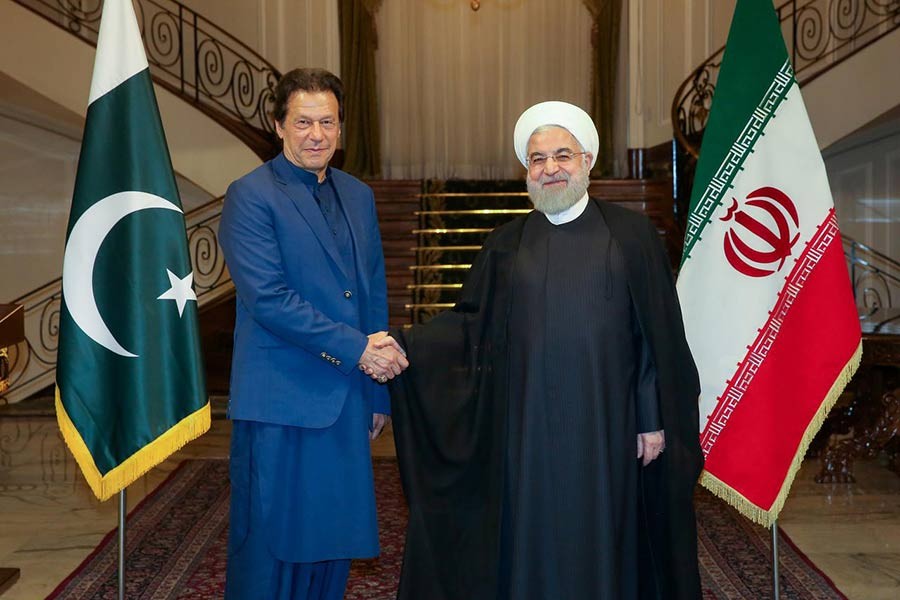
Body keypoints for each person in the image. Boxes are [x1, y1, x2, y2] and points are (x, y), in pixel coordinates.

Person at [385, 101, 704, 599]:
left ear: (587, 160)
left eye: (562, 155)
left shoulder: (632, 235)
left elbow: (653, 335)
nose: (550, 168)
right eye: (538, 159)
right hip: (526, 430)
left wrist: (651, 418)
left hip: (609, 426)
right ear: (527, 171)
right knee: (529, 533)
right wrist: (405, 345)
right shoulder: (505, 245)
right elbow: (470, 328)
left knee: (605, 532)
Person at [218, 67, 408, 600]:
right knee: (271, 552)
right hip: (280, 400)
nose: (317, 134)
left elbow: (371, 293)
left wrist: (377, 395)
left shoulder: (359, 195)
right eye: (303, 122)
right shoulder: (250, 196)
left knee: (331, 543)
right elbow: (269, 299)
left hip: (345, 398)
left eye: (328, 121)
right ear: (278, 125)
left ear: (341, 128)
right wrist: (360, 352)